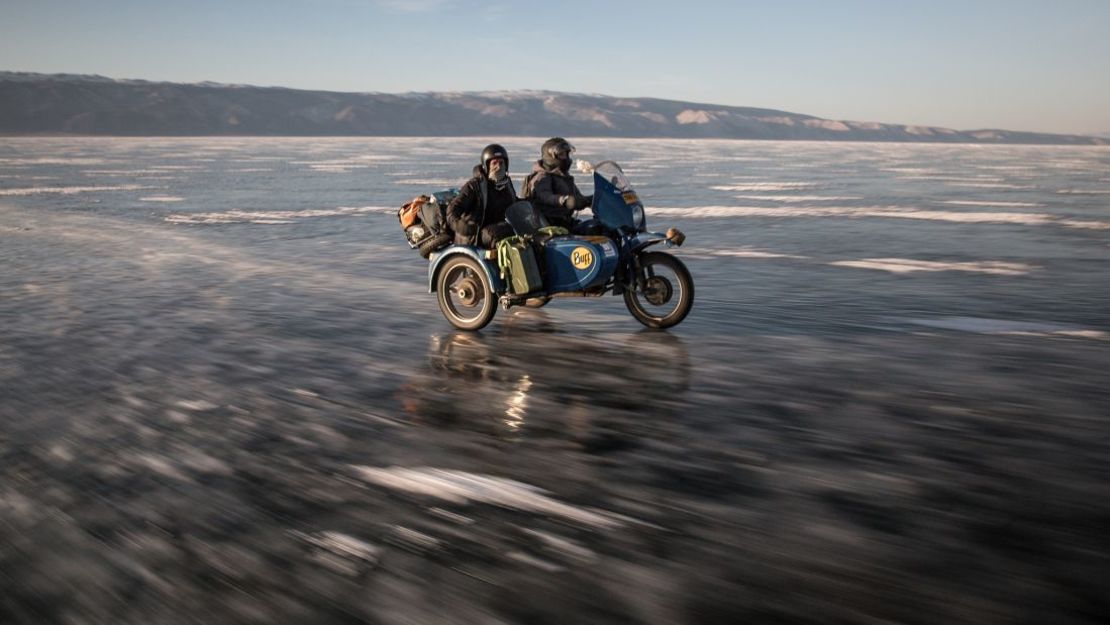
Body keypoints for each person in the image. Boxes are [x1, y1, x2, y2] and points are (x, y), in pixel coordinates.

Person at [446, 144, 518, 248]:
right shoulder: (474, 186)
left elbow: (514, 202)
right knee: (496, 234)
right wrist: (460, 226)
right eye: (494, 163)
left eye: (501, 163)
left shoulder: (506, 184)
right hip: (474, 235)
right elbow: (452, 209)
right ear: (486, 166)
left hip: (498, 228)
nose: (499, 167)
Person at [522, 137, 593, 231]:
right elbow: (545, 196)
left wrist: (592, 199)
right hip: (549, 227)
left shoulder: (562, 177)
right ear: (551, 157)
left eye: (567, 154)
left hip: (565, 223)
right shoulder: (542, 177)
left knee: (595, 228)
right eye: (562, 154)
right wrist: (563, 200)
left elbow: (578, 198)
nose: (566, 158)